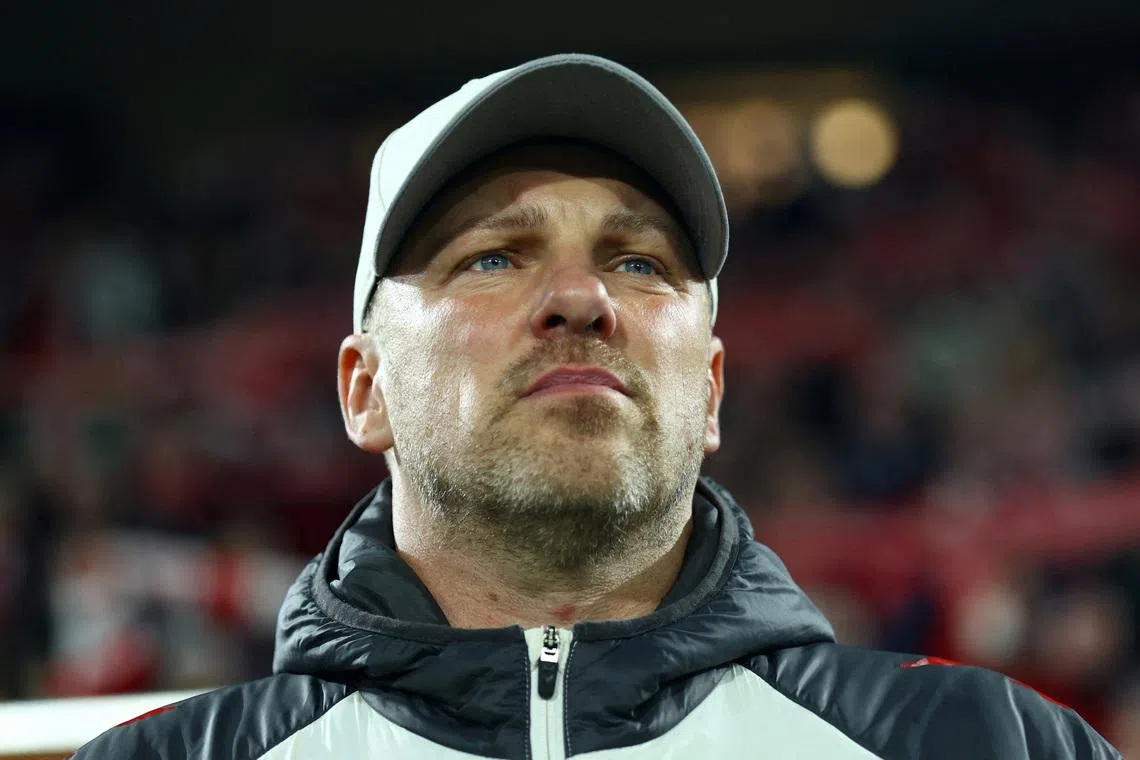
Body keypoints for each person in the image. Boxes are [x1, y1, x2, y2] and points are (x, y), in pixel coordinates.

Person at [74, 53, 1120, 759]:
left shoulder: (982, 745)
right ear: (365, 388)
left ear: (710, 390)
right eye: (493, 255)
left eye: (637, 258)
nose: (581, 298)